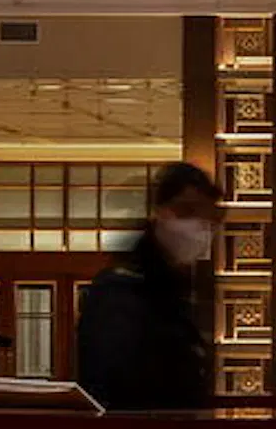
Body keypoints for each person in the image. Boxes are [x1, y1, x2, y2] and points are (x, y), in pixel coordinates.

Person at [75, 163, 221, 413]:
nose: (199, 226)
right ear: (160, 212)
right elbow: (112, 382)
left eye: (208, 217)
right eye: (186, 211)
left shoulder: (180, 289)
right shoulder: (121, 290)